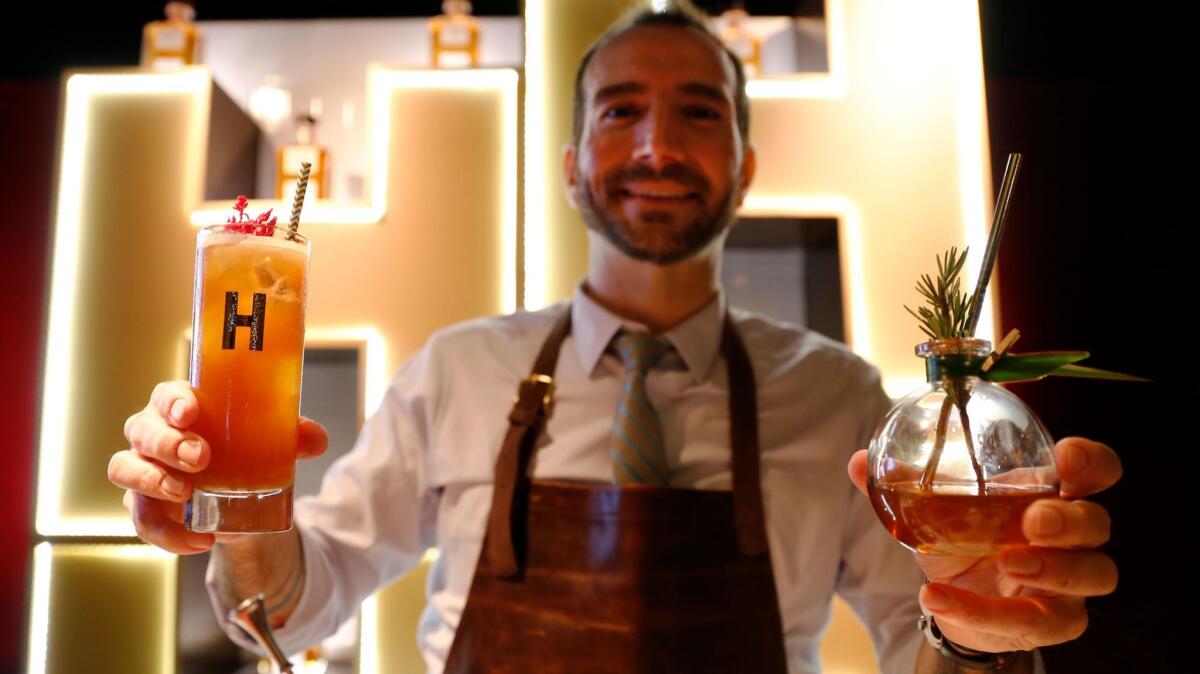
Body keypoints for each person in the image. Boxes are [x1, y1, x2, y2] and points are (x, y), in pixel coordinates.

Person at [109, 2, 1120, 672]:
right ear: (570, 163)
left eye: (697, 111)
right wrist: (241, 508)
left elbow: (926, 640)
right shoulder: (459, 371)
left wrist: (980, 628)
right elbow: (296, 601)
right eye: (620, 109)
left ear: (747, 163)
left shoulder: (843, 397)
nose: (656, 145)